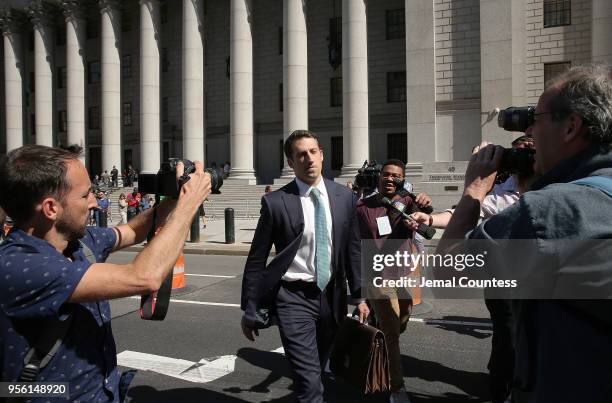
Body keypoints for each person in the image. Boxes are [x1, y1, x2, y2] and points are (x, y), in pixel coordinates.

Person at [435, 65, 612, 402]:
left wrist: (474, 189)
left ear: (571, 126)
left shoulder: (551, 210)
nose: (529, 127)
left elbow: (449, 268)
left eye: (537, 118)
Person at [0, 144, 211, 402]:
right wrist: (189, 206)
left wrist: (174, 199)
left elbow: (131, 231)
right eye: (85, 195)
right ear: (50, 208)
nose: (95, 203)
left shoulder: (79, 242)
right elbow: (144, 277)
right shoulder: (19, 266)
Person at [240, 130, 369, 403]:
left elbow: (353, 249)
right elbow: (256, 259)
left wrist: (359, 295)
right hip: (292, 299)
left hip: (331, 297)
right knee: (310, 386)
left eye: (313, 152)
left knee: (320, 369)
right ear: (291, 162)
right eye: (301, 154)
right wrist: (250, 308)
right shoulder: (276, 202)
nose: (308, 159)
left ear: (322, 155)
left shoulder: (344, 198)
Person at [356, 159, 429, 403]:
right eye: (386, 175)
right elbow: (354, 246)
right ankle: (397, 387)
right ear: (379, 177)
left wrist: (425, 205)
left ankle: (378, 331)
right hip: (378, 278)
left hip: (407, 274)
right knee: (392, 333)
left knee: (401, 322)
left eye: (396, 176)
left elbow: (426, 212)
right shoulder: (363, 207)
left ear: (403, 179)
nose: (390, 179)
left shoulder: (409, 202)